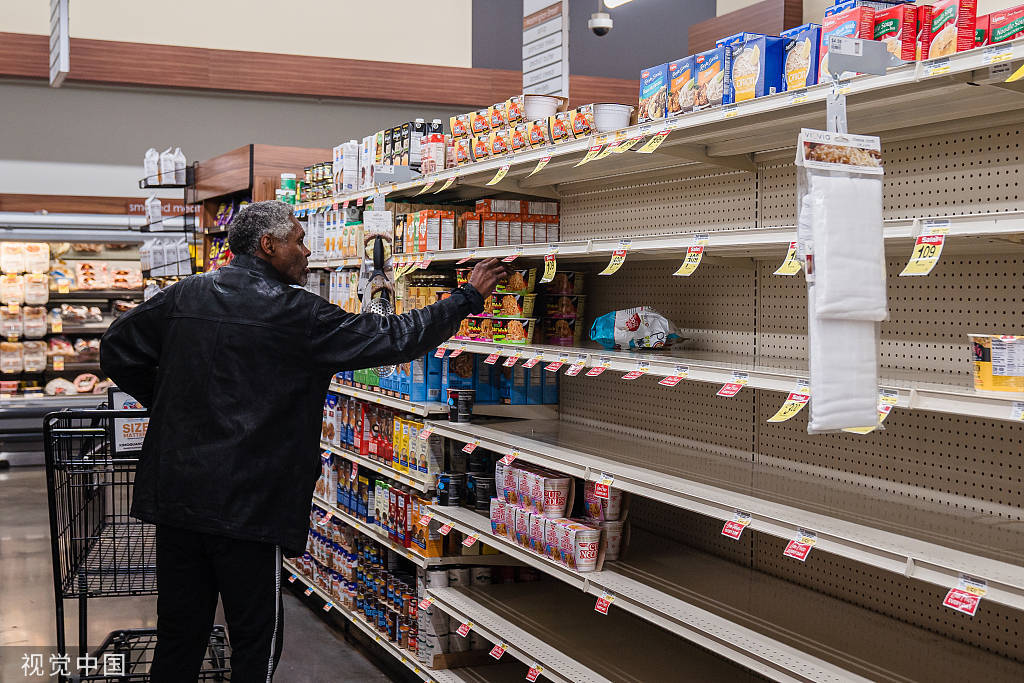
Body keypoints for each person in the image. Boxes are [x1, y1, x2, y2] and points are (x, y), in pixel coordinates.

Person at [100, 200, 508, 682]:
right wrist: (466, 297)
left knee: (179, 634)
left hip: (178, 495)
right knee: (255, 638)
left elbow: (116, 349)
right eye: (297, 239)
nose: (307, 250)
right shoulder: (298, 313)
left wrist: (170, 404)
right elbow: (395, 337)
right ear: (268, 246)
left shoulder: (183, 296)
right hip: (249, 503)